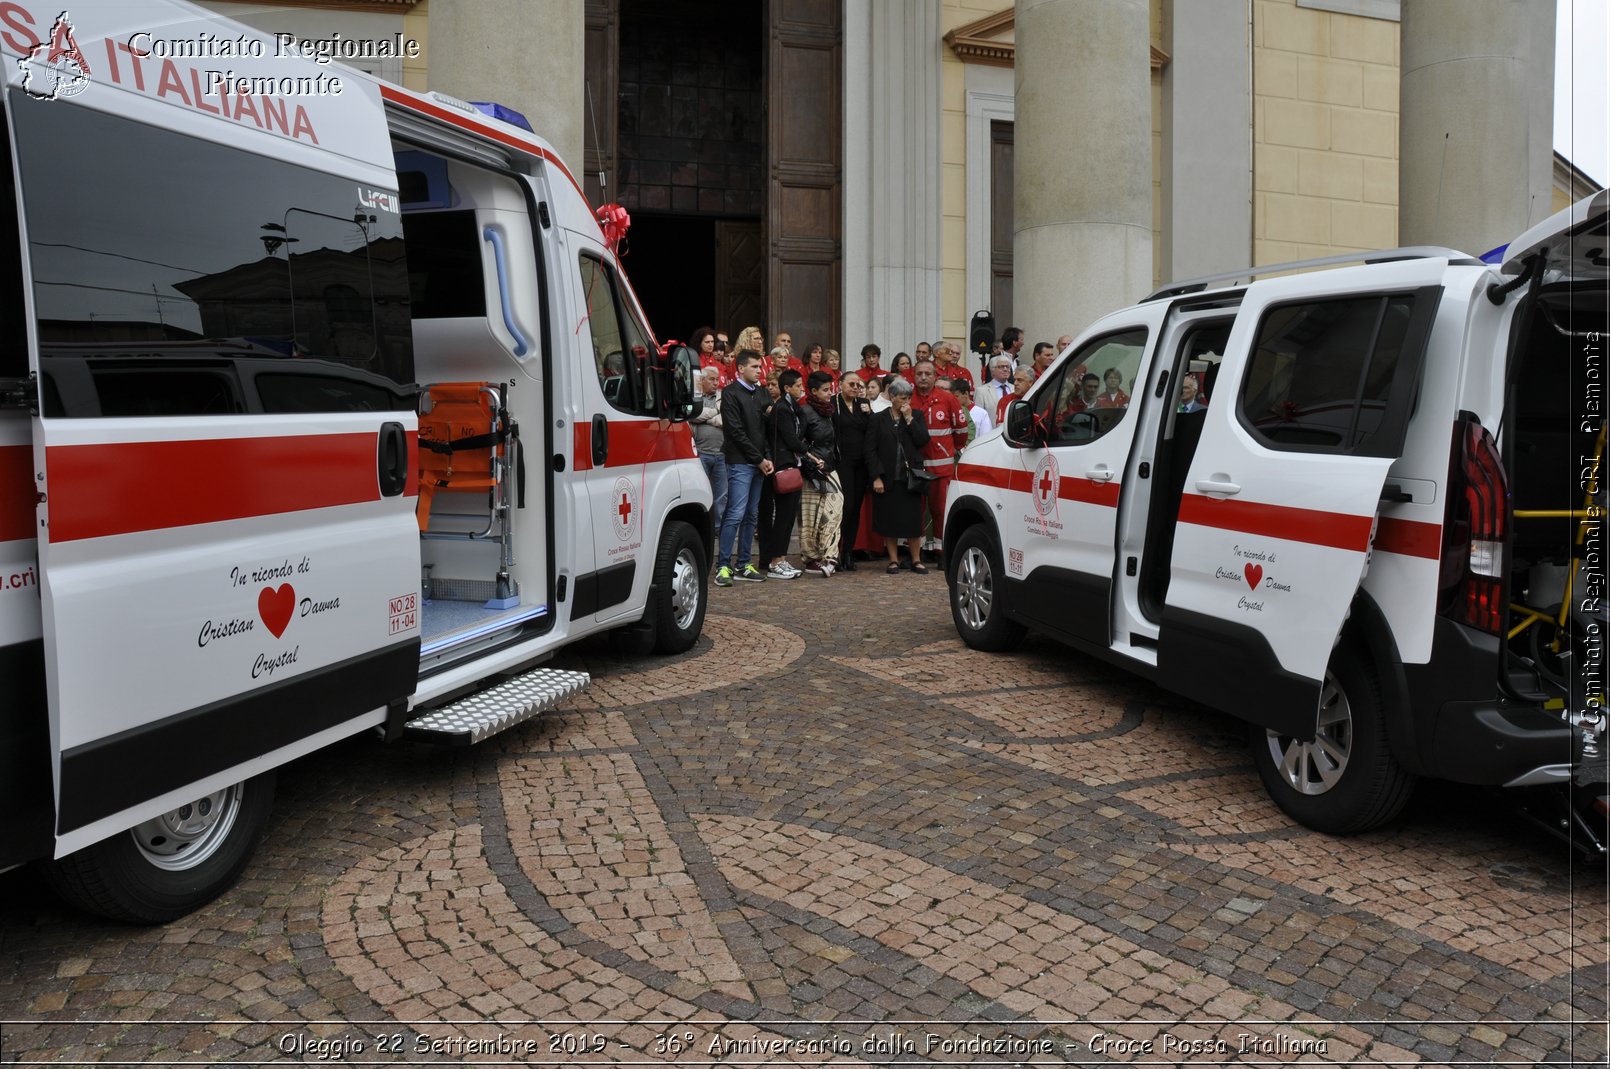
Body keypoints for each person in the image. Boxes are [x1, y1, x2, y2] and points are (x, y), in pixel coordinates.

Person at [714, 351, 775, 586]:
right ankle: (723, 566)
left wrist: (767, 457)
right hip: (740, 460)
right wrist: (759, 459)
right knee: (735, 513)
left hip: (760, 462)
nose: (760, 370)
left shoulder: (762, 392)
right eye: (755, 366)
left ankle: (744, 564)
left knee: (751, 515)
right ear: (740, 369)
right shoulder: (730, 393)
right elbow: (735, 432)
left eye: (760, 366)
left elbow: (765, 430)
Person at [864, 378, 932, 573]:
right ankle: (893, 560)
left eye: (909, 397)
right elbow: (870, 449)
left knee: (912, 520)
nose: (906, 401)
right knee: (889, 519)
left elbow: (922, 440)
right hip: (887, 476)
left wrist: (909, 418)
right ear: (892, 397)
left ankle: (916, 559)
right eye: (902, 397)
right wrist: (876, 476)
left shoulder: (916, 416)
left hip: (909, 477)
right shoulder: (878, 418)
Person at [909, 358, 965, 561]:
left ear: (935, 376)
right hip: (915, 468)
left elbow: (961, 431)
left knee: (941, 510)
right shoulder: (908, 398)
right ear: (914, 376)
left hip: (941, 468)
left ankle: (942, 552)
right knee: (916, 511)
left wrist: (948, 450)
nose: (923, 377)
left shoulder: (947, 399)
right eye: (919, 374)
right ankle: (918, 552)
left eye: (928, 374)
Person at [759, 369, 807, 579]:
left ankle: (782, 558)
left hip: (791, 464)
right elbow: (792, 439)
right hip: (782, 467)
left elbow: (801, 429)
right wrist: (808, 451)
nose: (801, 388)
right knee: (782, 516)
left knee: (788, 518)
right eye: (797, 385)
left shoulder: (793, 408)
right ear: (787, 388)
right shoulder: (781, 409)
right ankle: (774, 560)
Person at [797, 371, 842, 576]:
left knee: (835, 510)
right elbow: (797, 443)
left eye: (831, 389)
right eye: (825, 390)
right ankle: (812, 559)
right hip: (811, 471)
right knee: (810, 518)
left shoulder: (829, 411)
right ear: (813, 391)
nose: (829, 393)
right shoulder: (805, 412)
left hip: (830, 468)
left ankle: (830, 556)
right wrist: (811, 462)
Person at [832, 372, 875, 571]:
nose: (855, 387)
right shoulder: (834, 403)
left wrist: (869, 413)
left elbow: (872, 429)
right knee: (846, 507)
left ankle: (848, 552)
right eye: (851, 384)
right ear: (841, 384)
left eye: (858, 384)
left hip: (861, 463)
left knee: (856, 508)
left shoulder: (863, 403)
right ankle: (835, 551)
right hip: (843, 462)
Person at [691, 366, 727, 525]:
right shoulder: (695, 398)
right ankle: (702, 525)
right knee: (700, 492)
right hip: (700, 453)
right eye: (711, 379)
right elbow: (692, 414)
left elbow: (725, 420)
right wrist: (714, 412)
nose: (715, 383)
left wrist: (703, 416)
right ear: (702, 380)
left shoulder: (723, 398)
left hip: (721, 454)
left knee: (721, 494)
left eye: (717, 379)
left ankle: (717, 527)